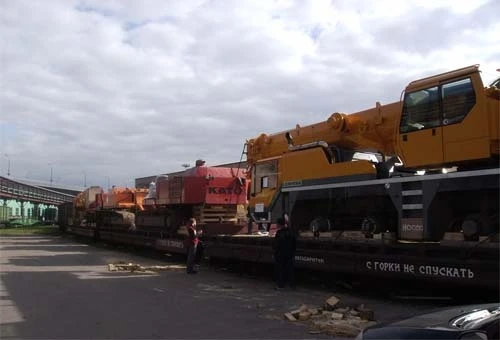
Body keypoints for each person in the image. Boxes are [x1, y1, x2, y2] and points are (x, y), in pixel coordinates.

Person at [272, 216, 296, 290]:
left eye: (277, 223)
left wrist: (274, 253)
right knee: (290, 269)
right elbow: (294, 243)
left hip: (280, 254)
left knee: (280, 270)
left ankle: (280, 285)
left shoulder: (279, 233)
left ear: (279, 224)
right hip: (289, 254)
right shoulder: (291, 232)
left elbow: (276, 244)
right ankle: (292, 285)